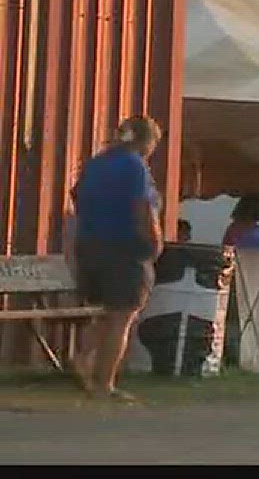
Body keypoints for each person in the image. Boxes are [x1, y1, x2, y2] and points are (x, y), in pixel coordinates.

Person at [68, 116, 165, 402]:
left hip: (89, 244)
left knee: (101, 313)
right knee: (122, 316)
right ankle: (104, 384)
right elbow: (143, 207)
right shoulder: (136, 166)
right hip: (124, 248)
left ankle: (84, 359)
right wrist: (155, 241)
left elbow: (76, 197)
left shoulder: (95, 164)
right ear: (145, 142)